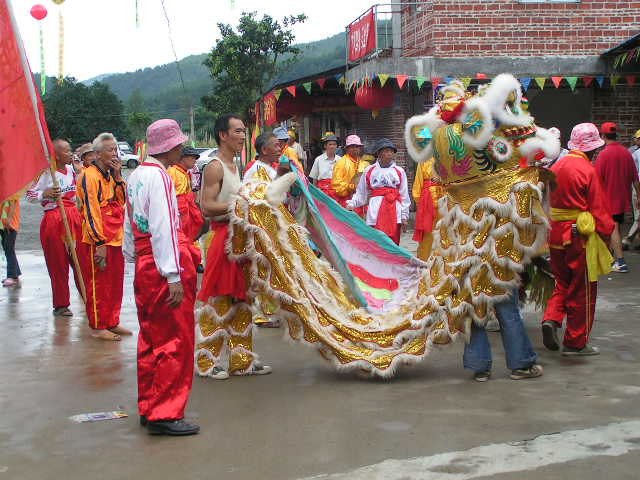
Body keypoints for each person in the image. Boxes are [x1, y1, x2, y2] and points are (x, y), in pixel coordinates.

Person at [123, 119, 200, 436]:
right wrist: (173, 275)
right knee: (174, 340)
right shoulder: (161, 177)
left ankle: (150, 405)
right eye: (180, 144)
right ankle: (166, 412)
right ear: (171, 147)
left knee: (151, 338)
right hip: (162, 263)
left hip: (145, 263)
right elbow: (165, 227)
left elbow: (131, 224)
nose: (183, 149)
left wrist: (132, 256)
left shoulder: (136, 175)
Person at [195, 114, 272, 379]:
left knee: (242, 301)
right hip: (221, 241)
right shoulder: (215, 167)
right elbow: (206, 206)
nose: (242, 136)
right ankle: (207, 362)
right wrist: (242, 206)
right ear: (223, 135)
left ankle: (242, 361)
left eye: (243, 131)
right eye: (237, 131)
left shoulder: (235, 164)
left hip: (239, 242)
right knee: (219, 301)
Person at [541, 123, 615, 357]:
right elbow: (600, 211)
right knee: (582, 290)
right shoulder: (587, 170)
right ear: (593, 148)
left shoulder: (558, 164)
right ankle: (575, 342)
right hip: (577, 237)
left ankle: (551, 318)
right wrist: (606, 235)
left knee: (562, 283)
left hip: (555, 234)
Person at [76, 132, 131, 341]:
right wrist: (99, 243)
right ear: (97, 154)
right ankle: (98, 326)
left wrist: (118, 178)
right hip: (98, 238)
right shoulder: (88, 176)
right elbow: (90, 211)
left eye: (116, 149)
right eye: (110, 150)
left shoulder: (110, 174)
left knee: (115, 282)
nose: (115, 153)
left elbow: (123, 200)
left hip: (115, 235)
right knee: (99, 284)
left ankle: (112, 321)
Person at [26, 139, 84, 316]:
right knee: (58, 263)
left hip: (73, 216)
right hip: (54, 218)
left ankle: (87, 295)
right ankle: (61, 304)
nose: (70, 153)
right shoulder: (46, 173)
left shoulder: (73, 170)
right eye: (66, 151)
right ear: (56, 155)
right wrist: (45, 193)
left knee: (81, 260)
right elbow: (29, 194)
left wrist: (79, 170)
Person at [594, 122, 640, 273]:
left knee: (612, 228)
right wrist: (639, 196)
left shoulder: (603, 155)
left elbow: (596, 180)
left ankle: (620, 261)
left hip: (607, 199)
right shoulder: (627, 153)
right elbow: (635, 179)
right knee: (615, 227)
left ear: (603, 136)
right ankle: (610, 258)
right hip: (622, 199)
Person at [347, 138, 410, 245]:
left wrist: (404, 216)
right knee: (376, 243)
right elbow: (361, 192)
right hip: (375, 211)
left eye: (391, 151)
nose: (389, 154)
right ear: (379, 153)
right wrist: (352, 203)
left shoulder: (399, 171)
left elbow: (404, 195)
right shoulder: (370, 170)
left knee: (393, 243)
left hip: (394, 210)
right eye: (386, 151)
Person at [167, 146, 205, 245]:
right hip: (180, 224)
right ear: (182, 157)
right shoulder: (174, 172)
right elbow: (178, 203)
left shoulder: (184, 173)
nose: (195, 160)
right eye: (192, 157)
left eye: (196, 158)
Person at [411, 157, 443, 260]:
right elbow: (418, 181)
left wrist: (441, 179)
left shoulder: (446, 159)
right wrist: (419, 201)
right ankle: (424, 260)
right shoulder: (424, 160)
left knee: (443, 231)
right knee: (427, 231)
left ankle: (441, 263)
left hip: (444, 198)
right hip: (427, 199)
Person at [332, 134, 369, 208]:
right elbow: (336, 185)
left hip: (361, 201)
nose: (355, 149)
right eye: (352, 146)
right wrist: (351, 187)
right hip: (345, 201)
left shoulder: (365, 164)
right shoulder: (341, 163)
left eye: (357, 146)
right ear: (347, 149)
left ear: (360, 148)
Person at [623, 129, 640, 249]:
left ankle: (629, 239)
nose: (635, 140)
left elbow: (632, 174)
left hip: (638, 186)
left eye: (636, 138)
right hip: (637, 185)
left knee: (638, 216)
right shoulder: (634, 153)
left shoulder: (635, 154)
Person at [309, 134, 340, 200]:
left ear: (337, 146)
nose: (332, 146)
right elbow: (314, 179)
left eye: (334, 144)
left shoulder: (340, 160)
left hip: (337, 192)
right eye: (330, 144)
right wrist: (315, 195)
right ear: (325, 146)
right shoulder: (318, 159)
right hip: (322, 193)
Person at [0, 193, 21, 287]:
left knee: (9, 249)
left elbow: (13, 202)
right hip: (2, 224)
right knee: (7, 248)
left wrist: (9, 219)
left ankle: (11, 276)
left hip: (10, 224)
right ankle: (15, 275)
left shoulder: (12, 188)